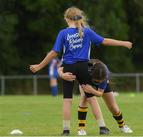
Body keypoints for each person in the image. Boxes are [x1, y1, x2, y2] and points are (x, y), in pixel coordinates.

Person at [30, 6, 132, 136]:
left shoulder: (63, 33)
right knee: (91, 98)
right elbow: (105, 41)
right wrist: (123, 43)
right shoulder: (87, 32)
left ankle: (66, 130)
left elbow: (54, 52)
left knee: (67, 100)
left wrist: (39, 65)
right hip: (84, 66)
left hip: (69, 67)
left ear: (67, 19)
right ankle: (102, 127)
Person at [58, 59, 133, 135]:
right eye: (97, 81)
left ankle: (122, 125)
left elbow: (100, 94)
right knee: (84, 99)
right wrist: (62, 74)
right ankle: (81, 128)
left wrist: (92, 90)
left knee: (113, 107)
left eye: (100, 81)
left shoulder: (105, 73)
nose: (98, 82)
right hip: (87, 82)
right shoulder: (86, 70)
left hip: (99, 88)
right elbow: (62, 67)